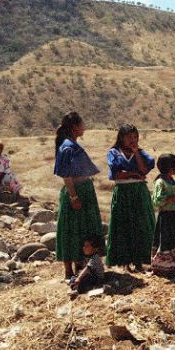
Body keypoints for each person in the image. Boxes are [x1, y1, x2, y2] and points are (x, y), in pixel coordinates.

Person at [53, 112, 104, 280]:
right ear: (75, 127)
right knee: (71, 229)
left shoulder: (71, 144)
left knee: (81, 229)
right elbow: (67, 176)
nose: (85, 125)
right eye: (82, 122)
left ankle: (80, 266)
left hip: (84, 190)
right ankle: (69, 270)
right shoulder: (67, 147)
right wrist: (73, 197)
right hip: (76, 191)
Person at [105, 124, 156, 273]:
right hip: (123, 192)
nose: (133, 140)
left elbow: (144, 169)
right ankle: (124, 262)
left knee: (141, 224)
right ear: (121, 138)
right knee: (123, 224)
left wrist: (136, 154)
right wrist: (133, 174)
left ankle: (140, 261)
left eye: (135, 137)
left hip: (139, 192)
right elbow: (115, 174)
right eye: (129, 137)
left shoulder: (141, 153)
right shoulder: (114, 152)